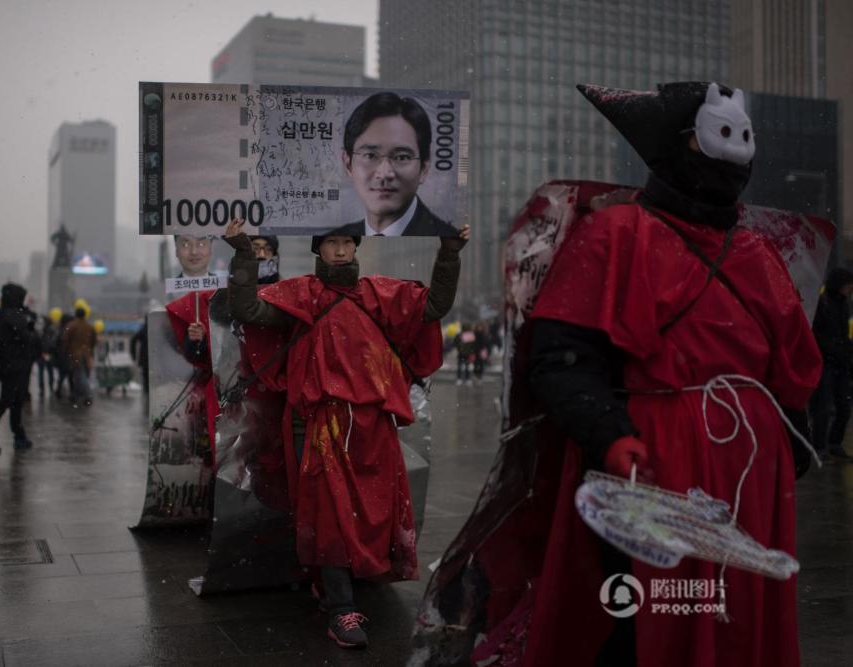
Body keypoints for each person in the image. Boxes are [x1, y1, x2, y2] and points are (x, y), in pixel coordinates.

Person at [518, 82, 821, 666]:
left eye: (743, 142)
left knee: (735, 616)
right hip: (654, 466)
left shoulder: (759, 252)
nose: (733, 159)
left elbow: (788, 370)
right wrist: (610, 434)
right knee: (651, 617)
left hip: (750, 474)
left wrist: (788, 438)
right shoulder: (613, 233)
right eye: (717, 139)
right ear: (679, 145)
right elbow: (562, 356)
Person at [224, 216, 468, 648]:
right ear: (318, 249)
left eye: (345, 242)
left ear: (355, 247)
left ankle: (339, 584)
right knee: (328, 512)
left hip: (373, 426)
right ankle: (341, 607)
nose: (339, 250)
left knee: (373, 509)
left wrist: (449, 254)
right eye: (331, 242)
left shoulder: (378, 293)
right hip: (315, 424)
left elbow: (432, 308)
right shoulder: (300, 295)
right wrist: (244, 252)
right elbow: (246, 309)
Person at [341, 92, 459, 237]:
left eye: (401, 157)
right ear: (348, 164)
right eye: (370, 156)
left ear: (424, 167)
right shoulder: (340, 236)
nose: (384, 174)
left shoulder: (448, 237)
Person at [0, 283, 40, 452]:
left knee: (13, 401)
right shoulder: (14, 315)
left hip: (7, 363)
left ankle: (17, 435)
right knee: (9, 401)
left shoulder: (1, 314)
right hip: (16, 364)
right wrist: (32, 331)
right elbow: (26, 337)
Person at [809, 267, 853, 460]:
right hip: (827, 361)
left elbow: (843, 331)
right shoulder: (823, 303)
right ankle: (820, 445)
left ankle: (834, 442)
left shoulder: (844, 304)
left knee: (844, 406)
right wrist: (832, 347)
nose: (849, 289)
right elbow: (816, 333)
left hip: (841, 361)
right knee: (824, 407)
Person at [59, 307, 97, 407]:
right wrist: (89, 348)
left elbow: (65, 339)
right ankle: (75, 395)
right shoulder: (89, 326)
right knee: (80, 375)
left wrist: (66, 350)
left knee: (80, 375)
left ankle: (87, 395)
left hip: (75, 354)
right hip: (87, 354)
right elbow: (94, 340)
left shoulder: (71, 325)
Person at [37, 315, 58, 395]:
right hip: (49, 353)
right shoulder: (52, 331)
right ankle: (50, 387)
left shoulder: (41, 331)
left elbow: (38, 341)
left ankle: (42, 389)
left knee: (41, 372)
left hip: (41, 353)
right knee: (50, 371)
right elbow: (53, 343)